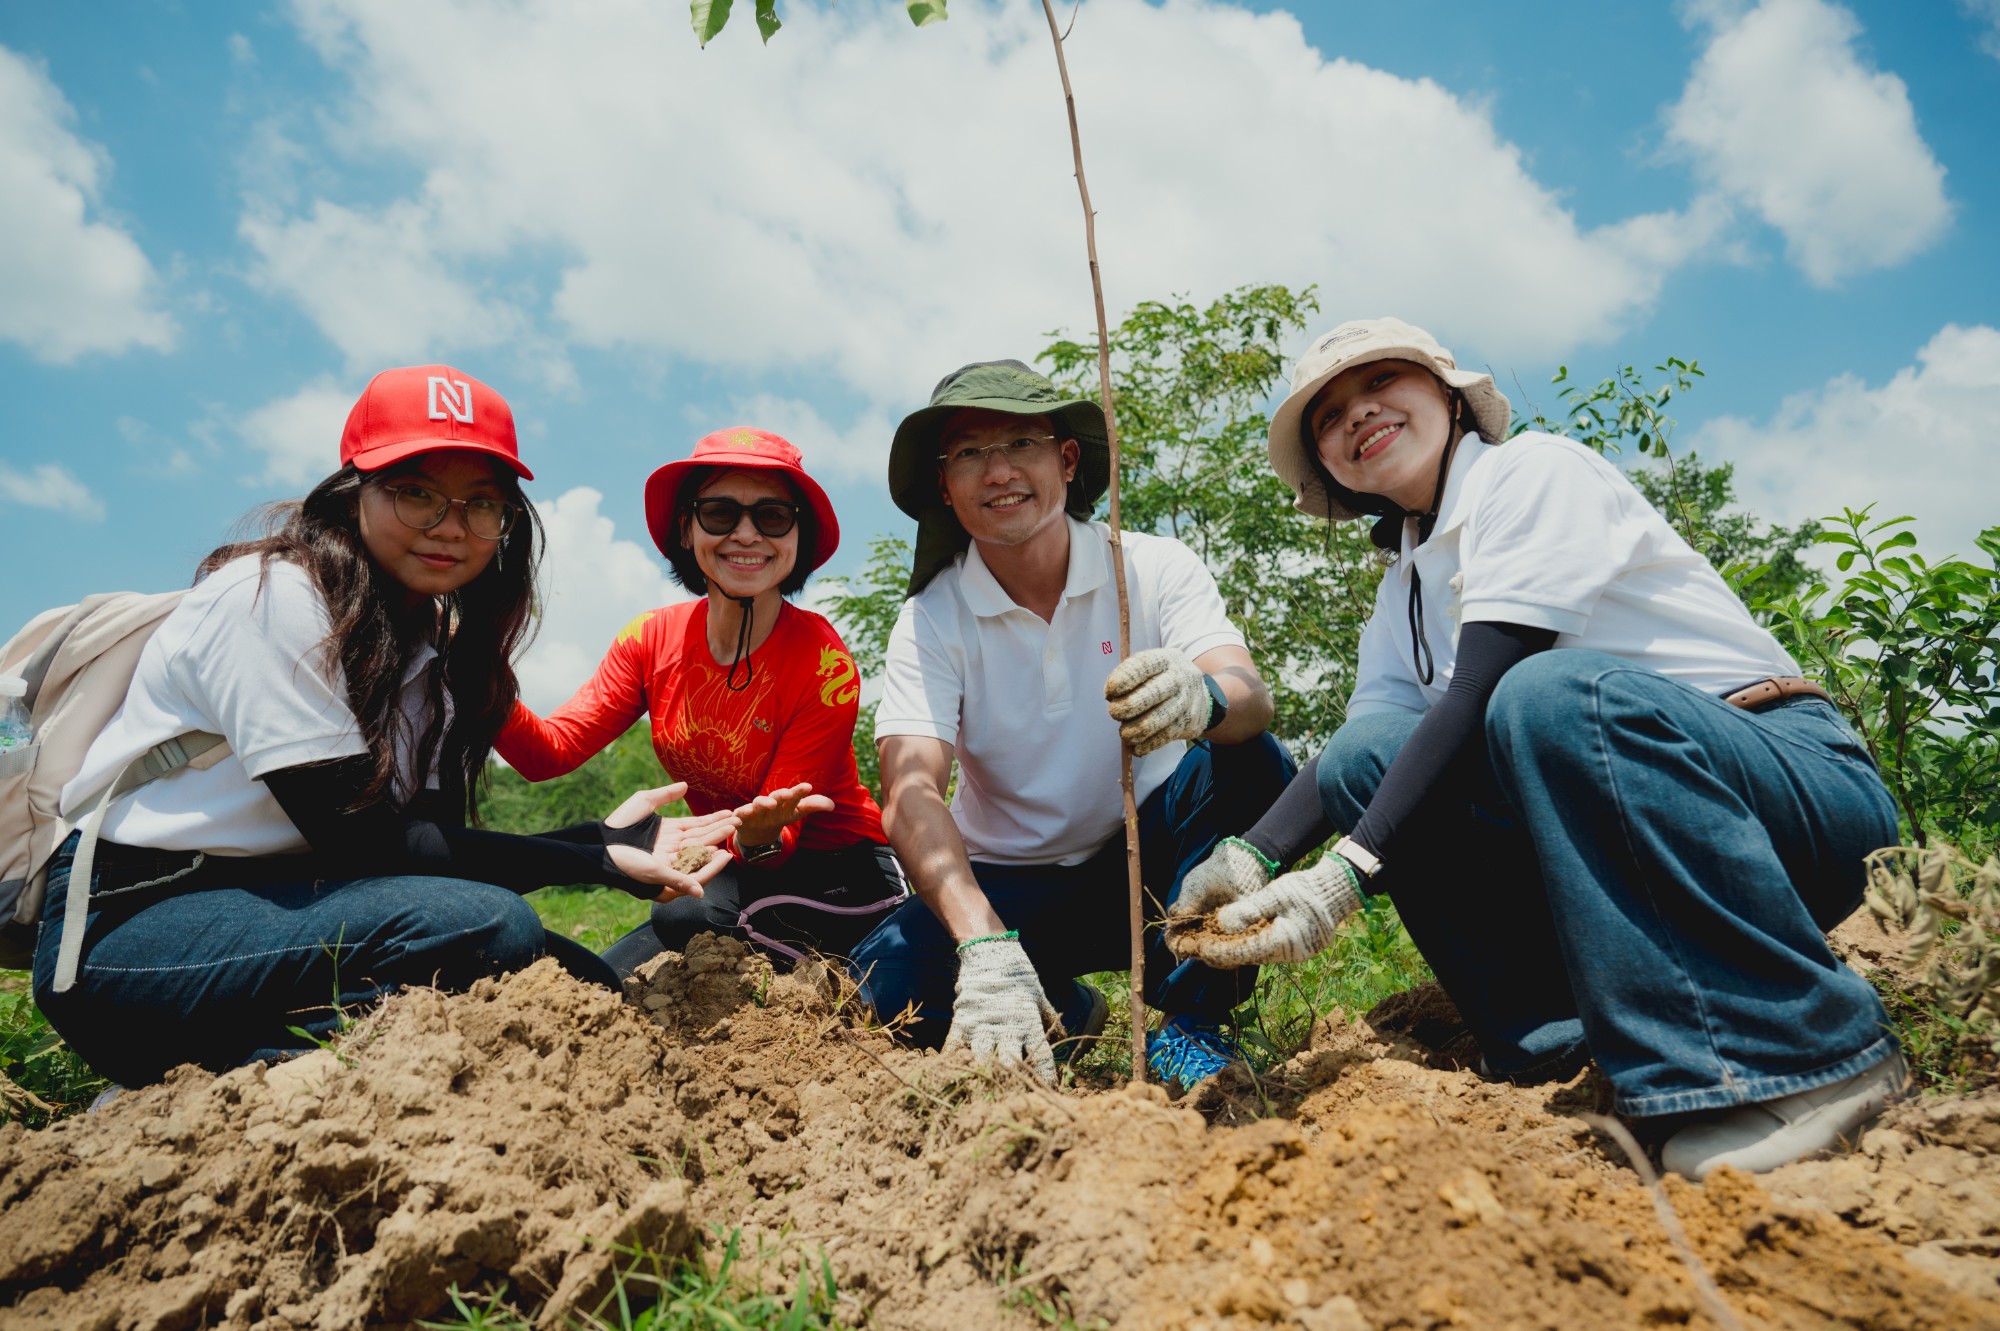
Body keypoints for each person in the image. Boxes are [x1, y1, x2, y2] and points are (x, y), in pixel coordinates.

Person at [1169, 317, 1906, 1177]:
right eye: (1328, 416)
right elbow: (1352, 757)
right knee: (1374, 750)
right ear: (1328, 465)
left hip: (1787, 799)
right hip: (1625, 856)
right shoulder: (1403, 590)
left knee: (1545, 694)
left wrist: (1347, 873)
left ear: (1450, 396)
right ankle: (1560, 1047)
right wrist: (1251, 855)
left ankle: (1812, 1057)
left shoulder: (1533, 473)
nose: (1357, 413)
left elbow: (1486, 685)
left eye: (1380, 383)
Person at [32, 365, 737, 1089]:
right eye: (416, 493)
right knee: (491, 928)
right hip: (133, 931)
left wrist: (600, 840)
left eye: (481, 504)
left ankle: (297, 1071)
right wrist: (595, 859)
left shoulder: (427, 647)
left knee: (584, 986)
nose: (451, 526)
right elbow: (363, 841)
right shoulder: (276, 600)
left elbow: (421, 851)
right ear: (353, 494)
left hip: (284, 904)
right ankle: (218, 1085)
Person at [850, 359, 1296, 1088]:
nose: (998, 471)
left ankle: (1191, 1022)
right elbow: (910, 789)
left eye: (1020, 444)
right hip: (1008, 888)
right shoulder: (932, 617)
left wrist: (1205, 698)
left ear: (1066, 460)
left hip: (1155, 864)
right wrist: (983, 945)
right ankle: (1060, 1005)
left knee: (1255, 764)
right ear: (944, 486)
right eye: (969, 453)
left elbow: (1250, 695)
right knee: (881, 986)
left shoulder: (1151, 566)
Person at [498, 428, 906, 977]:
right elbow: (548, 753)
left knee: (685, 914)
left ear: (798, 537)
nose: (746, 534)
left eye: (772, 516)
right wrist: (477, 676)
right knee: (599, 981)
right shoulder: (649, 639)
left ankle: (860, 971)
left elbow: (778, 842)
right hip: (729, 875)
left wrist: (757, 835)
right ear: (686, 530)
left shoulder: (825, 666)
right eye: (720, 513)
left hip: (843, 876)